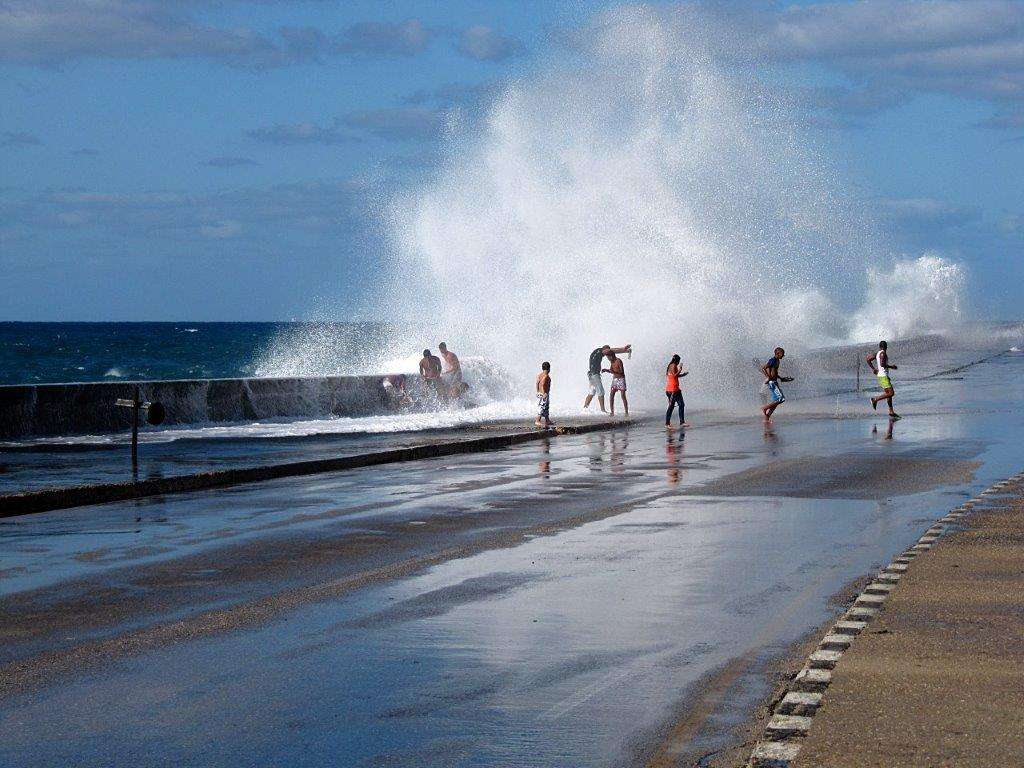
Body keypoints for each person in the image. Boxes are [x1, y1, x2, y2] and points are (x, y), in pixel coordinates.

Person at [584, 344, 631, 413]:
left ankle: (585, 408)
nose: (607, 356)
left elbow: (611, 350)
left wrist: (623, 349)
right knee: (601, 392)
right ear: (604, 350)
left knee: (592, 392)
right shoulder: (600, 352)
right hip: (594, 375)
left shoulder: (597, 352)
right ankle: (603, 410)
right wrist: (624, 349)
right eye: (607, 353)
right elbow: (611, 350)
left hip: (591, 375)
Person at [867, 340, 900, 419]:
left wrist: (874, 369)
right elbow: (882, 364)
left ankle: (891, 411)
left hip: (882, 376)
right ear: (886, 347)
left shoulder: (877, 353)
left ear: (880, 347)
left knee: (888, 395)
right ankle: (875, 399)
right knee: (891, 393)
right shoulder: (883, 353)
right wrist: (892, 367)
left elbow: (868, 359)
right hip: (883, 376)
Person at [761, 346, 793, 421]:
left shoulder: (777, 361)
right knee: (781, 399)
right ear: (778, 354)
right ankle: (765, 408)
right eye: (782, 354)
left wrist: (781, 378)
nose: (783, 355)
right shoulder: (772, 360)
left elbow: (774, 372)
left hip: (775, 381)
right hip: (772, 382)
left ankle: (767, 417)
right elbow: (764, 368)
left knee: (776, 401)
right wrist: (768, 377)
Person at [603, 349, 629, 417]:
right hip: (615, 380)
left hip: (621, 379)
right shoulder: (612, 362)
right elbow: (611, 370)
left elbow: (621, 372)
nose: (608, 359)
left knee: (623, 396)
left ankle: (626, 412)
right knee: (611, 395)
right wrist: (606, 370)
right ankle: (612, 412)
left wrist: (613, 372)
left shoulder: (618, 361)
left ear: (611, 356)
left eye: (608, 357)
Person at [665, 354, 689, 427]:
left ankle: (682, 422)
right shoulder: (673, 365)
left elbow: (675, 376)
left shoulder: (671, 365)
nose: (679, 362)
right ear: (677, 360)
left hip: (675, 390)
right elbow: (675, 375)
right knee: (671, 407)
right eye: (679, 361)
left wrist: (683, 374)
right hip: (672, 390)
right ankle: (667, 423)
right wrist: (680, 369)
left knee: (681, 405)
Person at [535, 361, 552, 428]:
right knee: (542, 407)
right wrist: (544, 393)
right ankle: (537, 420)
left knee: (546, 407)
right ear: (549, 369)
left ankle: (547, 420)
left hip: (540, 393)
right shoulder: (546, 376)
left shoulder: (540, 375)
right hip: (544, 394)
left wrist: (537, 391)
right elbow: (542, 384)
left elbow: (537, 383)